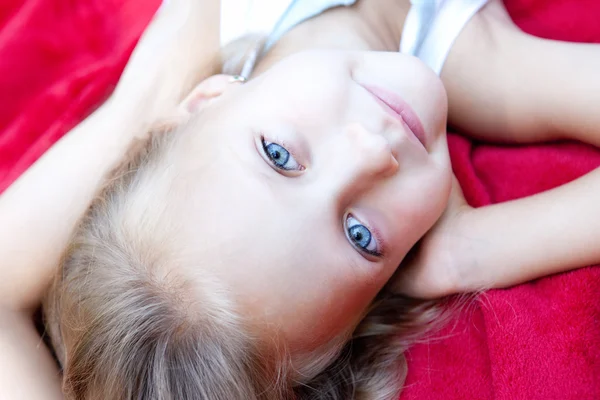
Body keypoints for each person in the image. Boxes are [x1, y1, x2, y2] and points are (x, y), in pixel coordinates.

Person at [0, 0, 598, 399]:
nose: (371, 153)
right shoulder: (477, 60)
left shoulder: (195, 43)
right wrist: (473, 251)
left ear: (206, 100)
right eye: (361, 235)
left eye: (279, 156)